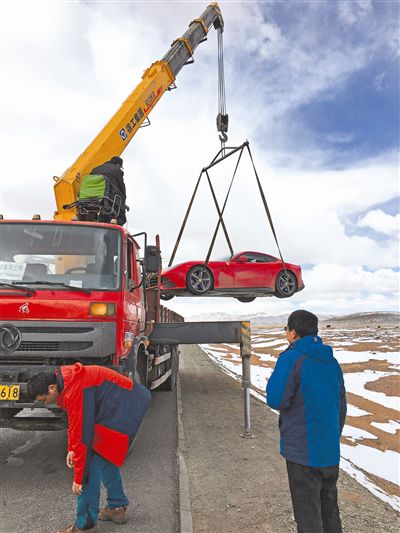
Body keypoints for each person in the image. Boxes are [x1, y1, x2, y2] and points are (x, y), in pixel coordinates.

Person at [27, 363, 151, 533]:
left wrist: (79, 477)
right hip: (119, 405)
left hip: (127, 407)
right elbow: (74, 422)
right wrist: (71, 449)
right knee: (105, 456)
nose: (45, 403)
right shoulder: (66, 383)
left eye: (43, 399)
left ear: (52, 387)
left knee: (91, 465)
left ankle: (85, 525)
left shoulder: (77, 388)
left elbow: (83, 436)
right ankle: (117, 507)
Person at [266, 310, 347, 533]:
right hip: (330, 451)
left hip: (303, 452)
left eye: (286, 330)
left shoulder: (292, 358)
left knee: (308, 516)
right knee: (330, 511)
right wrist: (331, 437)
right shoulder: (332, 361)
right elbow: (341, 406)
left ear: (293, 332)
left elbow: (275, 399)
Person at [90, 156, 127, 225]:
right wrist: (123, 202)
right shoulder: (117, 170)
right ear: (118, 165)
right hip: (109, 197)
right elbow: (122, 187)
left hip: (91, 198)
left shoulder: (95, 169)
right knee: (122, 218)